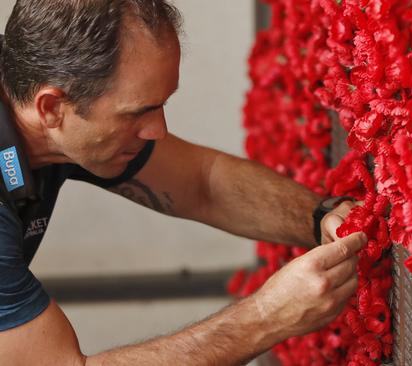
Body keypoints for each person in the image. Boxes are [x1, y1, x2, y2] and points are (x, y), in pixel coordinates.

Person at [0, 1, 365, 365]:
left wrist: (319, 218)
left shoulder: (30, 85)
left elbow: (201, 184)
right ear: (50, 108)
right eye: (138, 112)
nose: (158, 131)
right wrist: (267, 317)